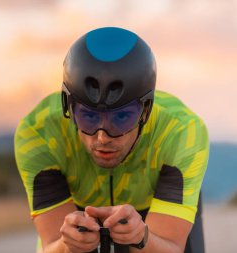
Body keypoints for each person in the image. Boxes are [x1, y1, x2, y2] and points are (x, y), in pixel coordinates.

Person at [14, 27, 209, 253]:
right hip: (78, 208)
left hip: (154, 210)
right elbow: (51, 245)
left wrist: (141, 237)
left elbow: (172, 247)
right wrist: (67, 246)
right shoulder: (38, 132)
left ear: (146, 110)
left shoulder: (182, 132)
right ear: (68, 105)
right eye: (88, 116)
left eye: (121, 117)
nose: (102, 137)